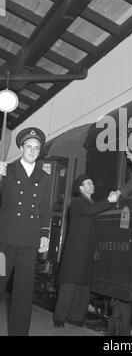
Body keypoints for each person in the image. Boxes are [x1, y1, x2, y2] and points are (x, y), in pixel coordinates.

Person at [0, 127, 50, 336]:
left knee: (23, 293)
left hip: (29, 242)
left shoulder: (44, 176)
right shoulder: (7, 170)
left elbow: (45, 208)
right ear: (21, 148)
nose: (32, 150)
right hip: (5, 240)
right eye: (29, 146)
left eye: (36, 148)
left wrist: (45, 235)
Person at [53, 174, 118, 328]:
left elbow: (95, 208)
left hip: (87, 250)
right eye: (88, 183)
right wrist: (108, 200)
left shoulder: (91, 203)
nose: (92, 184)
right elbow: (90, 210)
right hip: (76, 250)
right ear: (81, 188)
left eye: (92, 182)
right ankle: (60, 318)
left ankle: (76, 316)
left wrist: (110, 200)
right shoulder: (77, 203)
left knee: (83, 284)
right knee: (70, 283)